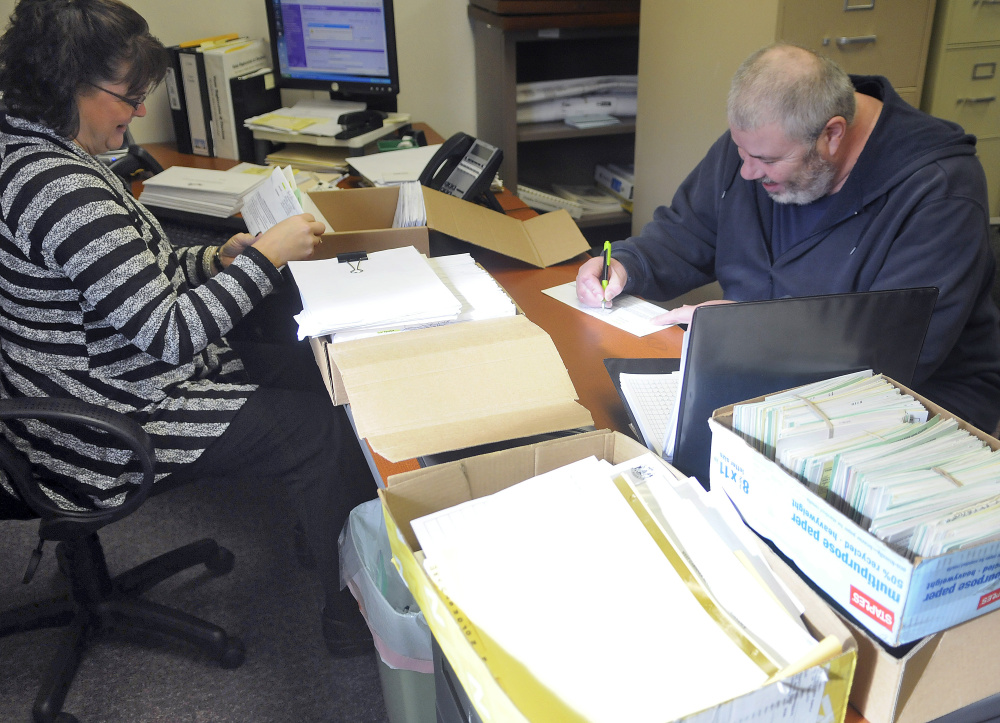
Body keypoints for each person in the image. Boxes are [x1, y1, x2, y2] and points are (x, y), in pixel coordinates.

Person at [0, 0, 376, 657]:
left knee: (313, 370)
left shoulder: (29, 147)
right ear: (70, 86)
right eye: (128, 94)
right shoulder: (60, 189)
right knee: (314, 429)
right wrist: (265, 259)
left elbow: (121, 278)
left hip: (67, 387)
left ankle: (325, 526)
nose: (139, 111)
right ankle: (347, 612)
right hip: (97, 422)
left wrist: (214, 259)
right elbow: (171, 334)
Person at [577, 43, 1000, 435]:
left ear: (832, 134)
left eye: (765, 159)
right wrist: (627, 265)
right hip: (757, 376)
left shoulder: (940, 191)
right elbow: (686, 233)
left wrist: (756, 333)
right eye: (741, 152)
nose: (746, 172)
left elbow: (896, 352)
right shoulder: (761, 143)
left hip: (906, 402)